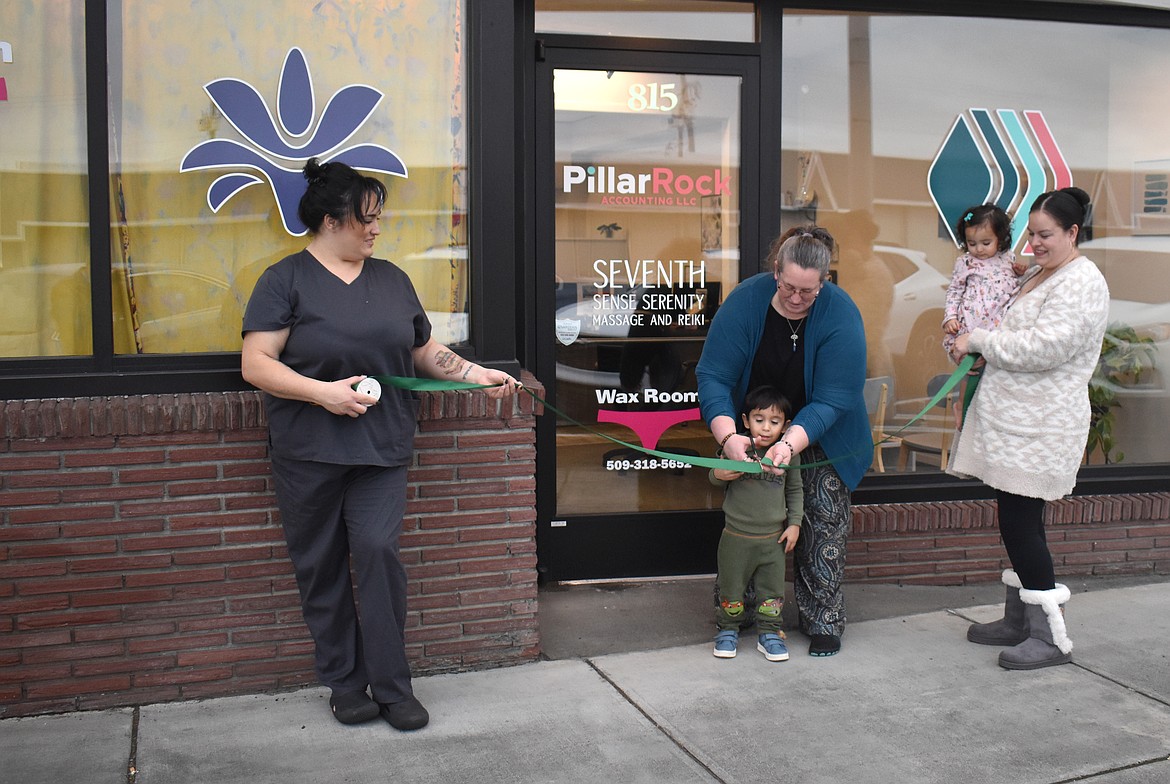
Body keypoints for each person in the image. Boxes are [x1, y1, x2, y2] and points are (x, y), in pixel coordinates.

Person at [241, 158, 521, 730]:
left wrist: (474, 374)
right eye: (363, 219)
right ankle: (345, 684)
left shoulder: (392, 278)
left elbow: (423, 351)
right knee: (319, 566)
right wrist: (322, 394)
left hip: (381, 448)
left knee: (377, 553)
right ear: (328, 220)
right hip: (308, 453)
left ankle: (393, 686)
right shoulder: (284, 280)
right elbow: (256, 364)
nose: (374, 230)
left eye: (377, 219)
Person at [948, 186, 1109, 670]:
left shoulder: (1082, 282)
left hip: (1041, 426)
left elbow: (1042, 347)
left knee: (1021, 524)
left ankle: (1050, 636)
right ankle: (1020, 619)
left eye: (1045, 235)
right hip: (1015, 423)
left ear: (1072, 232)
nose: (1033, 244)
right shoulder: (1043, 271)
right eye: (1032, 235)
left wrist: (977, 338)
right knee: (1017, 520)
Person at [697, 226, 870, 657]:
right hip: (753, 430)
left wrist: (789, 444)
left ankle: (823, 619)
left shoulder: (840, 313)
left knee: (820, 522)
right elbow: (714, 375)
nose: (796, 299)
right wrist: (729, 437)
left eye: (808, 293)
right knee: (749, 523)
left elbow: (834, 397)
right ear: (776, 272)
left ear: (824, 282)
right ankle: (739, 613)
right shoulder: (746, 301)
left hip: (823, 434)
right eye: (789, 287)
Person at [710, 385, 803, 662]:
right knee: (731, 586)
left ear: (785, 427)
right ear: (745, 420)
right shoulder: (736, 448)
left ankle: (770, 634)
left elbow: (795, 491)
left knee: (771, 590)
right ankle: (727, 630)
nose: (765, 428)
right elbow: (714, 478)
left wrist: (794, 523)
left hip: (772, 539)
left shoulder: (786, 455)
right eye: (758, 420)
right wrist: (723, 471)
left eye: (774, 422)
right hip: (735, 537)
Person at [942, 203, 1027, 424]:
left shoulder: (1008, 258)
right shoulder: (965, 262)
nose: (979, 249)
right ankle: (962, 404)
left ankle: (986, 413)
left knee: (991, 370)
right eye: (972, 243)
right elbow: (954, 290)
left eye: (986, 243)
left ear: (1000, 238)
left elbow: (1015, 285)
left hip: (997, 324)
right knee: (969, 368)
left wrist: (1020, 272)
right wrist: (950, 317)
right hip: (972, 323)